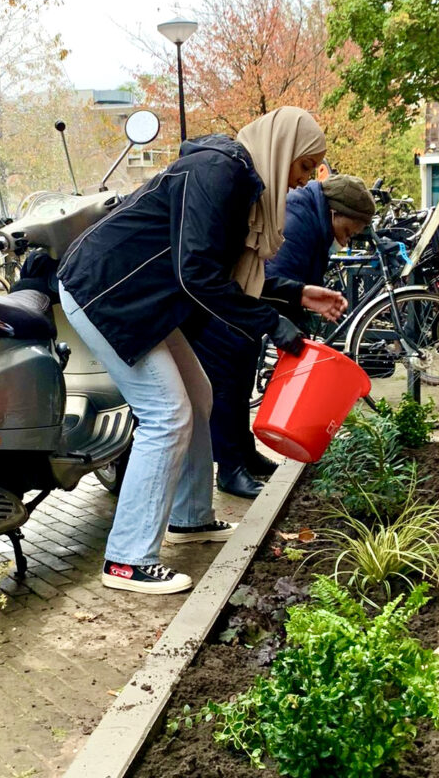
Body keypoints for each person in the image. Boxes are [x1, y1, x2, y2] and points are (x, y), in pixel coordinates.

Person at [57, 106, 345, 595]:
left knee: (199, 398)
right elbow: (197, 273)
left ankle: (190, 517)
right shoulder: (219, 171)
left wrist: (296, 295)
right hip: (107, 292)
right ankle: (126, 559)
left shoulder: (242, 179)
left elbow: (219, 269)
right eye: (302, 166)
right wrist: (271, 323)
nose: (302, 182)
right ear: (281, 151)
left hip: (146, 299)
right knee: (167, 415)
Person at [187, 174, 374, 499]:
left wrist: (301, 317)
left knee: (242, 382)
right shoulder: (299, 221)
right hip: (226, 314)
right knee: (228, 387)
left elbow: (290, 286)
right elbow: (269, 283)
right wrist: (285, 331)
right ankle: (230, 470)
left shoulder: (314, 218)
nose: (344, 242)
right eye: (347, 232)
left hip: (245, 314)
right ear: (336, 213)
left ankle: (245, 454)